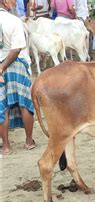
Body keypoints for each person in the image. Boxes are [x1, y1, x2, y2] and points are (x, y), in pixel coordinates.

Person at [0, 0, 36, 155]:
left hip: (1, 66)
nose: (15, 2)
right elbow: (16, 49)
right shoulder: (13, 20)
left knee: (3, 107)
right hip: (16, 65)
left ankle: (6, 146)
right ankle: (28, 141)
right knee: (25, 104)